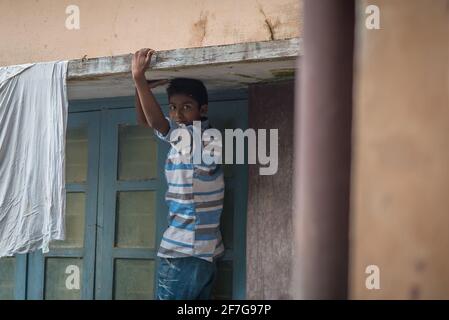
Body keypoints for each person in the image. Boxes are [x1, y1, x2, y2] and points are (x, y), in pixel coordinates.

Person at [132, 48, 225, 300]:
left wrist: (139, 80)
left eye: (186, 107)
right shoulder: (192, 138)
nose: (178, 114)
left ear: (202, 109)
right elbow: (146, 120)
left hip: (183, 253)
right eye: (173, 107)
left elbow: (154, 122)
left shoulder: (199, 139)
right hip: (201, 253)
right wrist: (140, 91)